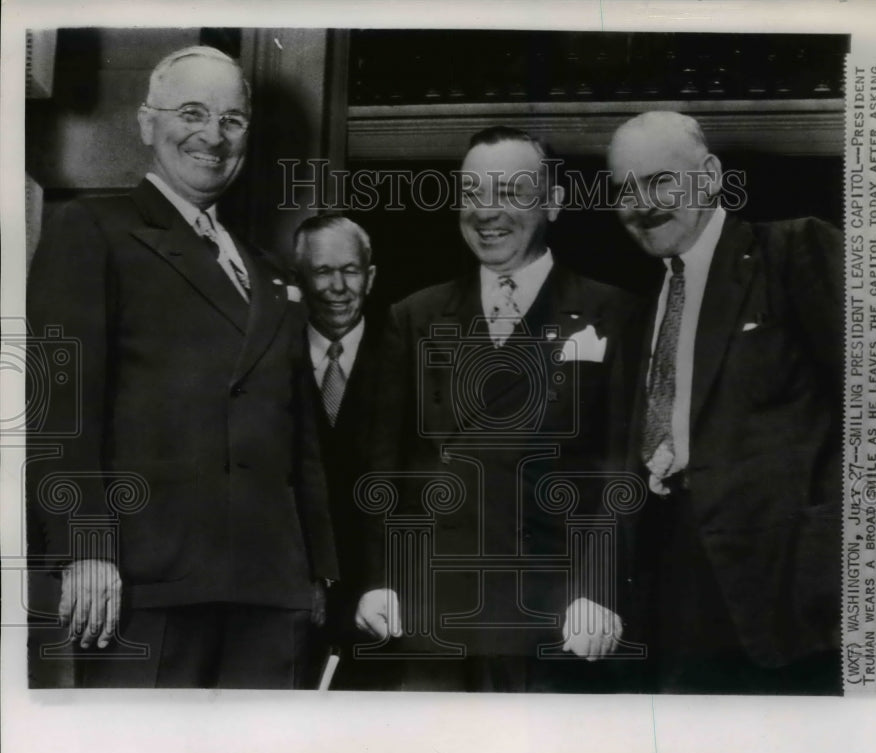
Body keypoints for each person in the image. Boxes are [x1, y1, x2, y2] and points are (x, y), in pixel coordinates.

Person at [26, 45, 337, 688]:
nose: (212, 136)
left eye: (232, 120)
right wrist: (85, 548)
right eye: (191, 112)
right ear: (146, 123)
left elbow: (300, 437)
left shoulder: (271, 274)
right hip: (146, 582)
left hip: (270, 589)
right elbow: (61, 408)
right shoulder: (91, 228)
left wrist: (317, 570)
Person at [354, 126, 641, 691]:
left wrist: (600, 589)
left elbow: (621, 469)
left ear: (554, 203)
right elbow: (386, 464)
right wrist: (381, 577)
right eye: (473, 192)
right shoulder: (414, 314)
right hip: (433, 612)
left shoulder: (615, 312)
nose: (487, 212)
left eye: (511, 192)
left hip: (560, 616)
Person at [607, 110, 843, 694]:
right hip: (677, 598)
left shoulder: (793, 251)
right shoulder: (641, 308)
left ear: (709, 176)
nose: (642, 203)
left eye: (660, 180)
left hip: (795, 598)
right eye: (624, 190)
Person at [291, 214, 390, 689]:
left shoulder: (408, 353)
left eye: (350, 270)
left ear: (369, 277)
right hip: (293, 597)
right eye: (321, 271)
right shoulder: (270, 357)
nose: (337, 286)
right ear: (299, 279)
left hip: (383, 602)